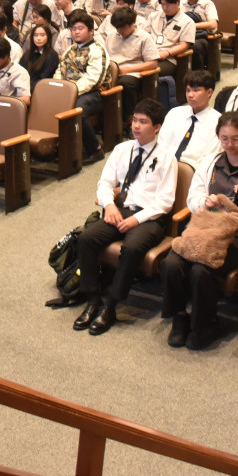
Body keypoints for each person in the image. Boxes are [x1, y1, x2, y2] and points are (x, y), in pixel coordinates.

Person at [160, 112, 238, 349]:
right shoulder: (211, 161)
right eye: (224, 139)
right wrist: (204, 202)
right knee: (171, 263)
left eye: (235, 139)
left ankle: (204, 324)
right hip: (207, 229)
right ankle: (180, 317)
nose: (230, 144)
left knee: (201, 271)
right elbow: (192, 199)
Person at [54, 98, 176, 335]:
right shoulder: (122, 150)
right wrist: (109, 206)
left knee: (131, 248)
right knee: (87, 239)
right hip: (120, 210)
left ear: (157, 127)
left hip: (149, 217)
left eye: (143, 122)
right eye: (135, 120)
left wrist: (136, 220)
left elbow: (165, 201)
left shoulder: (166, 157)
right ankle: (93, 299)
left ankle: (110, 305)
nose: (136, 126)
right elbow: (105, 183)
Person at [58, 12, 111, 161]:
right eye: (73, 29)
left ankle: (95, 149)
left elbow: (93, 79)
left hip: (95, 93)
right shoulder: (70, 50)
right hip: (70, 90)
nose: (76, 32)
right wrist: (58, 89)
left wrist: (71, 92)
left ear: (91, 31)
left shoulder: (98, 50)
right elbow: (60, 71)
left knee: (76, 111)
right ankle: (59, 147)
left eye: (80, 28)